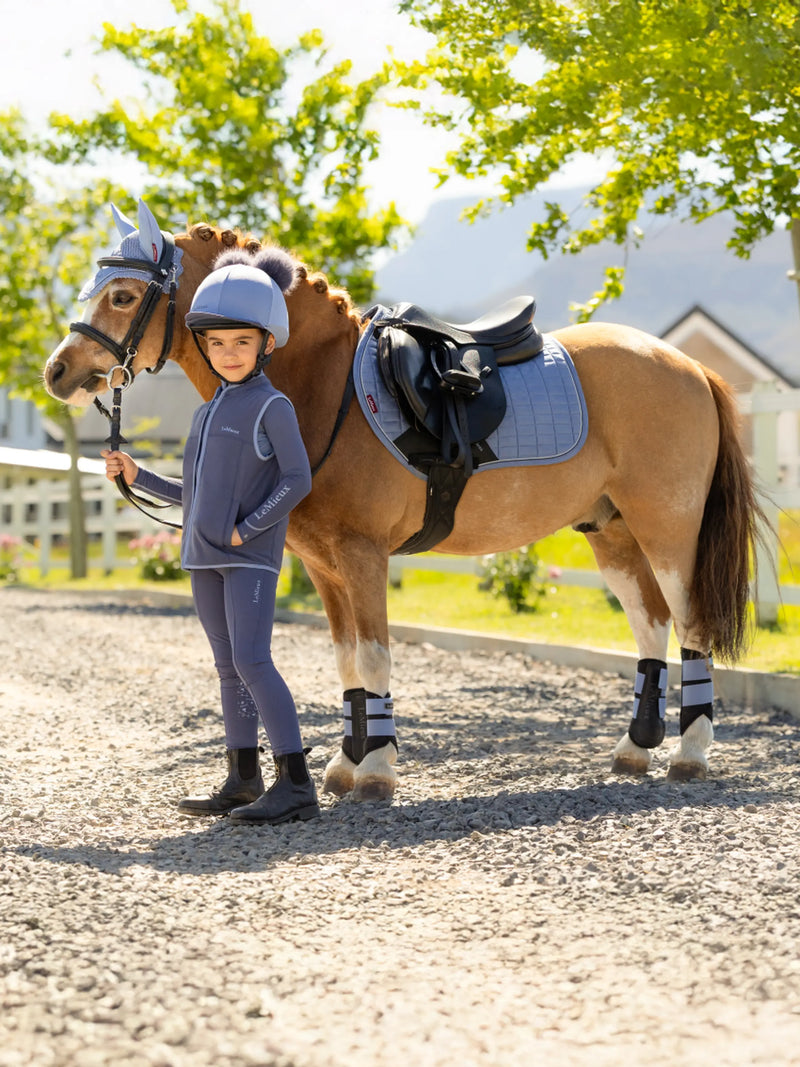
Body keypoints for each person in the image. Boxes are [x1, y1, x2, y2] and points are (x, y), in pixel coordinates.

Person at [102, 252, 318, 825]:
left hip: (248, 560)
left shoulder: (272, 405)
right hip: (202, 559)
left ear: (266, 344)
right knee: (229, 668)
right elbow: (195, 493)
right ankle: (243, 778)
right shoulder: (206, 412)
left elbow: (297, 480)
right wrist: (137, 475)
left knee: (252, 661)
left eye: (241, 342)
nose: (228, 353)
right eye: (217, 343)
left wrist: (249, 529)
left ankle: (296, 784)